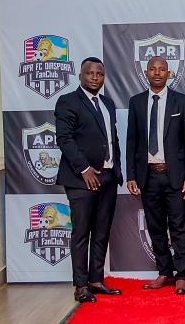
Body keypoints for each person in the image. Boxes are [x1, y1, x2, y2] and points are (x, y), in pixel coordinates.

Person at [55, 57, 123, 303]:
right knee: (81, 233)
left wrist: (116, 170)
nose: (95, 77)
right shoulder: (68, 101)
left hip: (108, 177)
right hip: (81, 180)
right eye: (90, 73)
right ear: (80, 76)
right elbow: (64, 139)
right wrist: (84, 169)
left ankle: (96, 280)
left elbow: (111, 139)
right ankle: (81, 285)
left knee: (102, 232)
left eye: (99, 74)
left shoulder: (108, 103)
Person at [126, 56, 185, 295]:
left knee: (179, 227)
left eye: (162, 69)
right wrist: (131, 175)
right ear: (146, 72)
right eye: (152, 69)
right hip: (148, 177)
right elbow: (131, 141)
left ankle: (182, 275)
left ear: (169, 73)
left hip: (176, 177)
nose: (157, 73)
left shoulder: (182, 101)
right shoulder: (136, 102)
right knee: (155, 227)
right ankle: (164, 272)